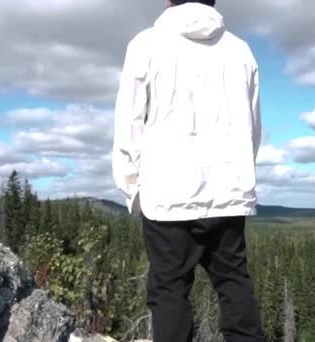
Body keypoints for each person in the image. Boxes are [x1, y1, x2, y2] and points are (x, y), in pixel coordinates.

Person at [112, 0, 265, 341]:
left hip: (166, 195)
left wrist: (133, 189)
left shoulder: (146, 45)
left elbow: (129, 126)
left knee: (169, 293)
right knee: (234, 284)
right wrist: (240, 176)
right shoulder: (241, 52)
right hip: (229, 192)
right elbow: (252, 129)